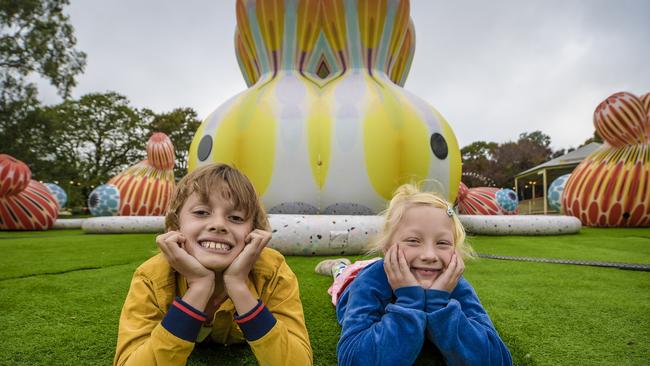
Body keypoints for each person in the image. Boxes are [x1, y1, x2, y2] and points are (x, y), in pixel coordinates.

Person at [114, 164, 312, 366]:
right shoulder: (151, 277)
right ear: (175, 225)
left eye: (235, 217)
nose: (218, 224)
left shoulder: (272, 271)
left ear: (253, 232)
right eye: (201, 212)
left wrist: (237, 284)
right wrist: (200, 286)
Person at [315, 184, 512, 366]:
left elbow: (497, 359)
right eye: (413, 240)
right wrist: (409, 300)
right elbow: (353, 359)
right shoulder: (368, 283)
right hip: (353, 280)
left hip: (396, 267)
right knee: (345, 274)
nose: (429, 255)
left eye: (442, 243)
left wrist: (439, 304)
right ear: (387, 248)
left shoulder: (456, 284)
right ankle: (338, 266)